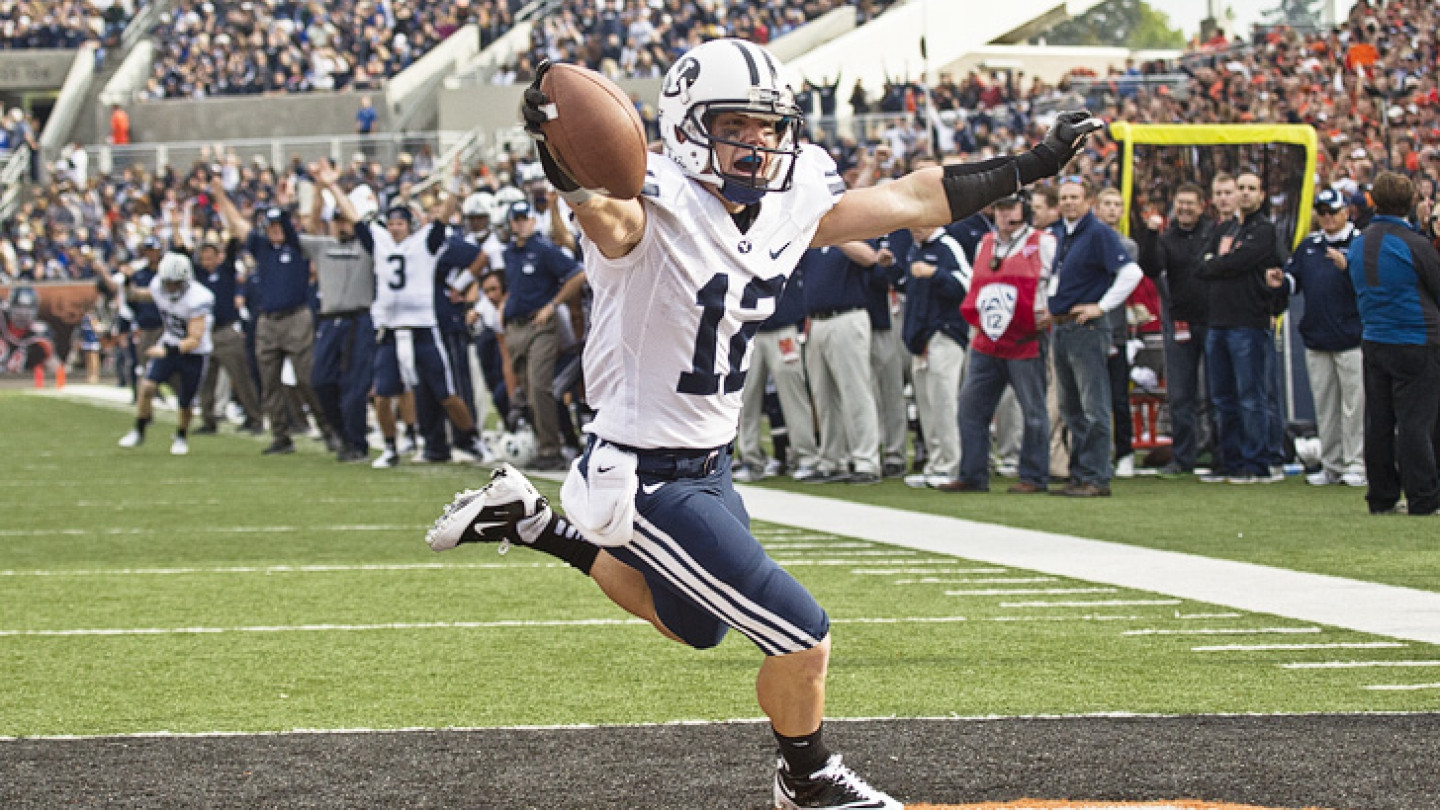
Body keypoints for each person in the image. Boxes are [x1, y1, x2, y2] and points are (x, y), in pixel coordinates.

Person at [428, 40, 1097, 810]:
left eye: (769, 126)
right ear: (686, 128)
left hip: (710, 465)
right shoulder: (653, 202)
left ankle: (533, 522)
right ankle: (806, 780)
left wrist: (1037, 162)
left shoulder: (789, 197)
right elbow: (606, 215)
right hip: (643, 475)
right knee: (801, 635)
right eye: (735, 126)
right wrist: (565, 160)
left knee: (696, 627)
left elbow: (914, 198)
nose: (757, 143)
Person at [326, 173, 492, 469]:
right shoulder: (379, 241)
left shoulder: (425, 243)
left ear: (410, 225)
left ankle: (472, 439)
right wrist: (332, 186)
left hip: (422, 329)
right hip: (390, 331)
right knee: (382, 394)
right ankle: (391, 447)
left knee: (446, 394)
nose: (394, 228)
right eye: (390, 223)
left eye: (400, 223)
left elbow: (444, 216)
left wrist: (454, 184)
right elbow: (354, 217)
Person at [944, 194, 1054, 494]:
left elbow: (1058, 278)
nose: (1004, 215)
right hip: (988, 340)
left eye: (1010, 208)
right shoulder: (986, 243)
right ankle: (972, 473)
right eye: (1000, 209)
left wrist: (1052, 309)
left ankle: (1034, 476)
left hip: (1025, 338)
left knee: (1032, 410)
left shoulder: (1043, 243)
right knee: (970, 408)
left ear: (1024, 210)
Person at [1347, 171, 1440, 516]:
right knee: (1416, 423)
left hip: (1374, 338)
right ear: (1411, 201)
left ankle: (1382, 496)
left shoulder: (1359, 243)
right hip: (1417, 339)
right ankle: (1423, 497)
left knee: (1379, 423)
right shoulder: (1414, 244)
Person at [1044, 178, 1142, 497]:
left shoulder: (1098, 233)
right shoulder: (1065, 234)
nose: (1069, 202)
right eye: (1064, 198)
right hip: (1063, 326)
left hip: (1085, 328)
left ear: (1089, 201)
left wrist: (1102, 306)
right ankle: (1080, 474)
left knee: (1092, 406)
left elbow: (1131, 273)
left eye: (1075, 197)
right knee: (1071, 407)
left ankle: (1096, 477)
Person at [212, 188, 329, 455]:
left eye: (279, 225)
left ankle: (327, 428)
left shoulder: (299, 246)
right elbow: (237, 224)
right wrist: (218, 193)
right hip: (267, 320)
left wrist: (319, 190)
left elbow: (314, 221)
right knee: (269, 381)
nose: (275, 230)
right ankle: (280, 436)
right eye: (271, 226)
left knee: (306, 378)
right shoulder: (261, 247)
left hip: (296, 317)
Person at [1195, 170, 1285, 484]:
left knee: (1251, 396)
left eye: (1251, 188)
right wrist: (1223, 263)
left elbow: (1239, 261)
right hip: (1217, 321)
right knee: (1222, 398)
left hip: (1249, 321)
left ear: (1261, 195)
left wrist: (1219, 263)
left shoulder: (1265, 230)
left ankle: (1256, 462)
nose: (1245, 193)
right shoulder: (1225, 228)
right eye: (1240, 188)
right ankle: (1229, 460)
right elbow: (1200, 265)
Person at [1277, 188, 1366, 488]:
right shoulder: (1310, 245)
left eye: (1332, 212)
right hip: (1318, 337)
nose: (1327, 218)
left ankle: (1356, 463)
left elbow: (1372, 284)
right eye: (1322, 212)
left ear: (1346, 212)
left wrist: (1349, 268)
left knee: (1354, 406)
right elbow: (1293, 281)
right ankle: (1331, 464)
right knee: (1326, 407)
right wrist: (1279, 281)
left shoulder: (1359, 243)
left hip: (1352, 337)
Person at [497, 199, 587, 471]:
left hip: (540, 326)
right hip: (516, 327)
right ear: (511, 223)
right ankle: (542, 444)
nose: (521, 224)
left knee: (540, 387)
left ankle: (552, 448)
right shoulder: (509, 253)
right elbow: (515, 286)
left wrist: (552, 306)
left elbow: (577, 275)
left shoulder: (544, 249)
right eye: (516, 220)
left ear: (533, 221)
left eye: (525, 219)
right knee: (527, 389)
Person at [1135, 182, 1214, 475]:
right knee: (1180, 395)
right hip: (1179, 322)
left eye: (1190, 203)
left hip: (1214, 321)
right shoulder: (1166, 238)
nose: (1185, 208)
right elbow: (1150, 267)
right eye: (1181, 203)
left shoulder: (1213, 234)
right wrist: (1151, 234)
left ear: (1202, 206)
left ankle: (1220, 453)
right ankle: (1183, 457)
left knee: (1216, 393)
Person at [798, 241, 886, 484]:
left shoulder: (854, 235)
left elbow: (870, 258)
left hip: (847, 316)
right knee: (823, 396)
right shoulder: (815, 241)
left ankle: (866, 460)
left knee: (856, 392)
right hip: (816, 320)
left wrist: (838, 236)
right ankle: (831, 459)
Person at [305, 169, 378, 463]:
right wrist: (318, 189)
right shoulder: (323, 247)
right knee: (320, 381)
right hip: (329, 321)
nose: (341, 225)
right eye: (337, 220)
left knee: (354, 387)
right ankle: (342, 434)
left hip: (358, 320)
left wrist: (333, 187)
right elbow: (311, 224)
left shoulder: (368, 246)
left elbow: (359, 224)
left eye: (345, 219)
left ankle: (356, 443)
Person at [117, 253, 214, 456]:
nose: (170, 287)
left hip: (194, 353)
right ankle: (139, 430)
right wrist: (126, 281)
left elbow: (194, 339)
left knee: (186, 401)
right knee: (147, 386)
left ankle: (181, 436)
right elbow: (136, 295)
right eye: (167, 282)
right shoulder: (158, 286)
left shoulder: (199, 298)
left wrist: (166, 350)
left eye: (174, 283)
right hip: (169, 343)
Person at [901, 217, 972, 489]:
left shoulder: (948, 246)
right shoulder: (914, 249)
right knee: (926, 404)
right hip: (920, 339)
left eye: (919, 225)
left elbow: (966, 284)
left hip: (944, 334)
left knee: (944, 401)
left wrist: (935, 274)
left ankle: (951, 465)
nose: (914, 230)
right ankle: (935, 462)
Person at [192, 235, 264, 436]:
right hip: (205, 333)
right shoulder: (199, 275)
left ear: (218, 257)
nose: (207, 261)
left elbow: (233, 247)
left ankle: (254, 418)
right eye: (204, 258)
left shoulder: (226, 270)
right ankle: (208, 420)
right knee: (205, 380)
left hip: (226, 331)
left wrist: (231, 232)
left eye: (210, 257)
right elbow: (182, 253)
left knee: (241, 378)